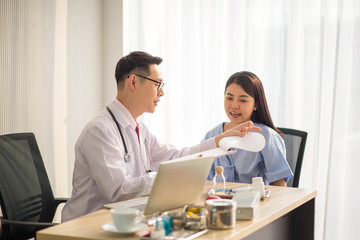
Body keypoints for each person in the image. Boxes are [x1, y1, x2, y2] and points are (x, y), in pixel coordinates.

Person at [61, 52, 261, 222]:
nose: (162, 92)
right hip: (88, 226)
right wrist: (166, 176)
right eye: (158, 84)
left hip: (125, 221)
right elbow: (118, 191)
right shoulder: (101, 131)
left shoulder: (139, 128)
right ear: (133, 81)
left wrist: (219, 140)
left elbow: (176, 156)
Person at [202, 71, 293, 186]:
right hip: (217, 202)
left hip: (255, 202)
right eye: (229, 98)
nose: (234, 105)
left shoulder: (266, 136)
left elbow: (280, 186)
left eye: (243, 100)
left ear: (256, 104)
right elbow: (199, 177)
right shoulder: (212, 135)